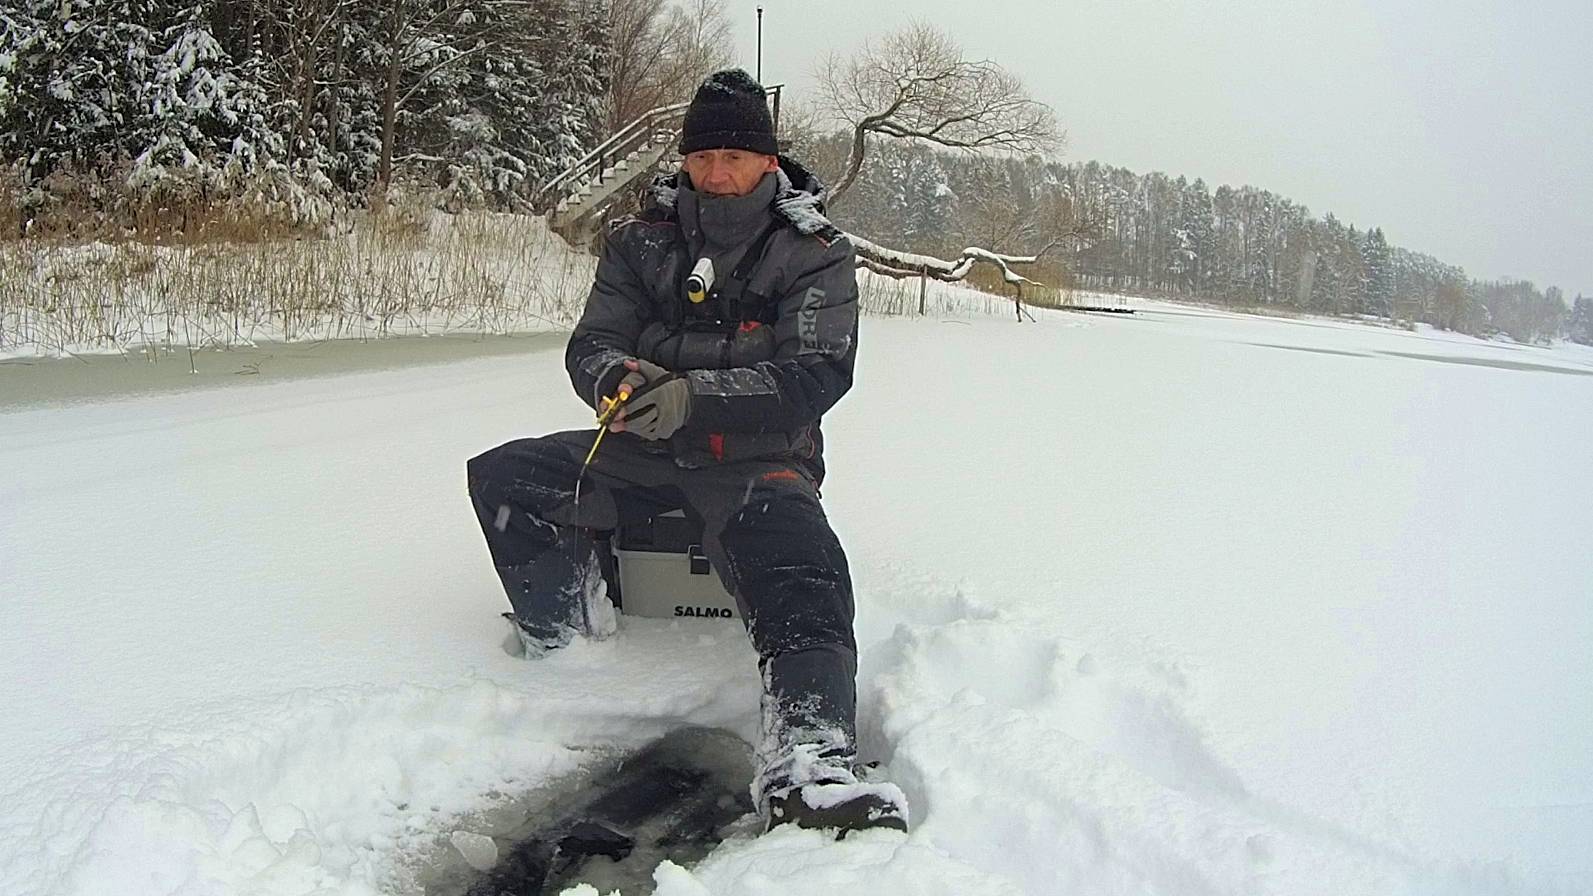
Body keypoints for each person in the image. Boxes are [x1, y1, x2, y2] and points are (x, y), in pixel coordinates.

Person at [466, 69, 906, 836]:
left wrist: (692, 397)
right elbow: (592, 342)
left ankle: (811, 761)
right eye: (702, 157)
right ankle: (567, 649)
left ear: (768, 162)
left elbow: (816, 373)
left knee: (803, 566)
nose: (715, 172)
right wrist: (615, 379)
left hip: (758, 456)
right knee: (509, 476)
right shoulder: (640, 241)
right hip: (641, 447)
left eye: (734, 156)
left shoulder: (815, 253)